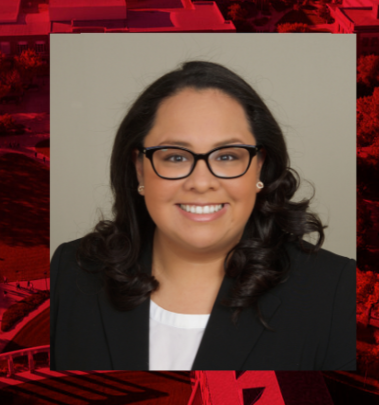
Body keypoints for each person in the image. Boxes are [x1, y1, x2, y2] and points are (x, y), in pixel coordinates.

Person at [50, 61, 355, 371]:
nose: (201, 182)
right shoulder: (71, 271)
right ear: (140, 168)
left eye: (226, 156)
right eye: (176, 157)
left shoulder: (334, 290)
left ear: (259, 166)